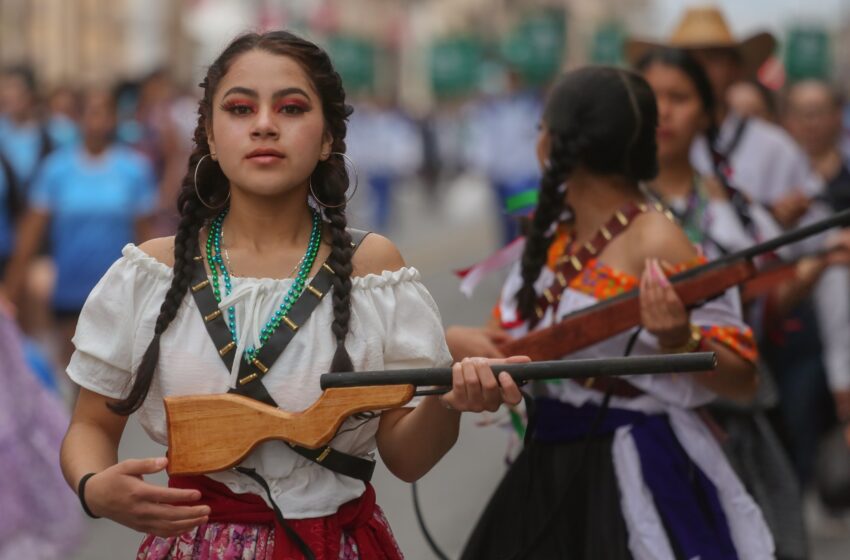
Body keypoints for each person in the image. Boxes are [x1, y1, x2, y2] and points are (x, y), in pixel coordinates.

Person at [58, 30, 524, 559]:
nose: (263, 124)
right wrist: (95, 488)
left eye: (292, 107)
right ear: (210, 134)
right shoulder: (150, 272)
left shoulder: (374, 269)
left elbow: (408, 457)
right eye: (239, 108)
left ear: (327, 137)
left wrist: (450, 403)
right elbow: (90, 426)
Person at [456, 66, 772, 559]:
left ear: (556, 142)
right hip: (546, 463)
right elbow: (505, 342)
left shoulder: (654, 237)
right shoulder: (552, 236)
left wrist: (680, 339)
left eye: (542, 127)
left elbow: (742, 379)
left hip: (633, 466)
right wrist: (458, 344)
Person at [635, 46, 814, 560]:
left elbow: (768, 305)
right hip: (649, 428)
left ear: (709, 113)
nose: (664, 112)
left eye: (680, 98)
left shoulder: (729, 201)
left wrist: (816, 267)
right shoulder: (614, 211)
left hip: (738, 416)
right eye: (651, 98)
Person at [3, 88, 157, 368]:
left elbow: (146, 236)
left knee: (114, 371)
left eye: (104, 112)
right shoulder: (56, 169)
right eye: (90, 112)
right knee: (74, 369)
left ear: (115, 118)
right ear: (79, 118)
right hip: (70, 290)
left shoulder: (134, 169)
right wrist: (10, 293)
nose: (98, 120)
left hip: (119, 291)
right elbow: (30, 234)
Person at [785, 80, 850, 213]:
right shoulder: (779, 169)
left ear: (838, 115)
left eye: (818, 112)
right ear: (789, 120)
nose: (811, 123)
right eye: (803, 114)